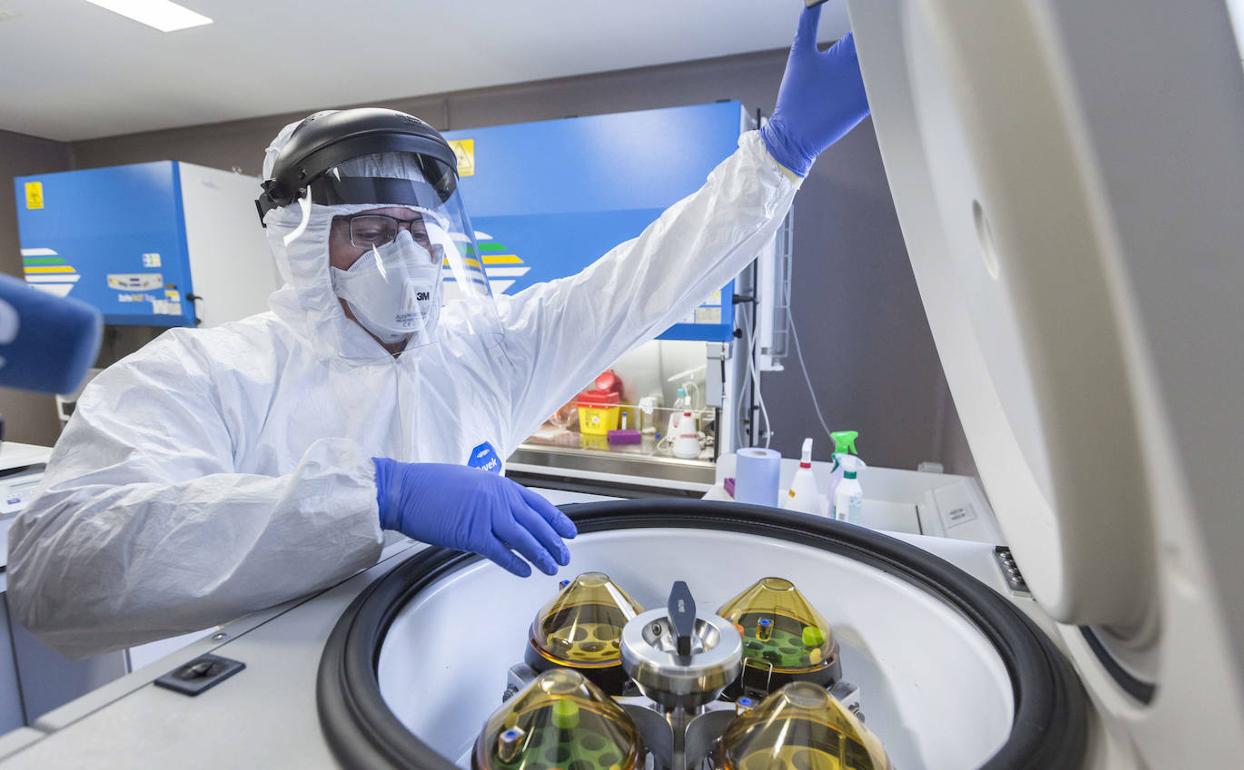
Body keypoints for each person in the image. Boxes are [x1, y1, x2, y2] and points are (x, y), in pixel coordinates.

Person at [7, 5, 869, 657]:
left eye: (417, 231)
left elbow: (640, 281)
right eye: (372, 231)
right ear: (305, 246)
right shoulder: (204, 375)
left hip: (442, 680)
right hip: (268, 711)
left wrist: (779, 157)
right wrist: (375, 495)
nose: (406, 256)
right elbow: (58, 567)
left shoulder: (484, 348)